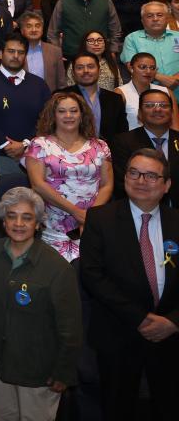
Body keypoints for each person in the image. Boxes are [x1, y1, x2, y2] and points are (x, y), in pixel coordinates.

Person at [80, 148, 179, 420]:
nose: (140, 180)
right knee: (117, 409)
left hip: (171, 337)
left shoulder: (176, 221)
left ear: (166, 185)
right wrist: (141, 318)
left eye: (150, 175)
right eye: (134, 172)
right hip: (118, 333)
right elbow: (92, 275)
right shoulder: (100, 219)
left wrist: (172, 321)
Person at [0, 187, 82, 421]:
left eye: (27, 217)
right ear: (3, 221)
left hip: (38, 372)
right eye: (12, 216)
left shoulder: (58, 268)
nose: (18, 223)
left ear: (38, 224)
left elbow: (70, 328)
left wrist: (63, 372)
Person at [25, 92, 113, 261]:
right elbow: (37, 184)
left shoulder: (100, 146)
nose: (68, 116)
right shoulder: (39, 145)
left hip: (91, 225)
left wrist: (89, 216)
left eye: (73, 111)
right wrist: (76, 212)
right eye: (62, 111)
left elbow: (107, 185)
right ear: (53, 115)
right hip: (53, 227)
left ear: (82, 115)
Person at [0, 34, 51, 178]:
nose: (16, 56)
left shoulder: (39, 84)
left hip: (34, 156)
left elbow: (47, 119)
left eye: (20, 52)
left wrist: (25, 143)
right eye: (11, 51)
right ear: (0, 54)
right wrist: (4, 144)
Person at [110, 88, 179, 204]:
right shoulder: (123, 142)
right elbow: (122, 184)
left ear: (172, 112)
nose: (157, 109)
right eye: (149, 105)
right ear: (140, 113)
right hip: (139, 211)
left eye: (163, 105)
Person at [48, 0, 122, 60]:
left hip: (100, 56)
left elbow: (115, 30)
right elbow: (52, 32)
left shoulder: (105, 1)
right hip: (71, 56)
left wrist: (113, 50)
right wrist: (57, 53)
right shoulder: (63, 3)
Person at [64, 52, 130, 142]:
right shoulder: (62, 96)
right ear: (73, 73)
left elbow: (122, 133)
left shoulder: (115, 99)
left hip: (107, 153)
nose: (86, 70)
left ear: (99, 70)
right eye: (80, 68)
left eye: (91, 67)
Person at [121, 1, 179, 89]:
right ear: (142, 21)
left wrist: (175, 79)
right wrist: (161, 78)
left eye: (159, 15)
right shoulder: (132, 39)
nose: (155, 19)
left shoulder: (178, 36)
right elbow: (131, 66)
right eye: (149, 16)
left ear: (167, 18)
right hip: (147, 93)